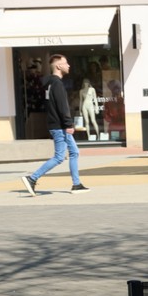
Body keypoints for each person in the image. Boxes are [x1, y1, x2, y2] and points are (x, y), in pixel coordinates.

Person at [20, 54, 89, 195]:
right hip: (60, 126)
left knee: (74, 152)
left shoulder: (49, 84)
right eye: (66, 63)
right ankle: (32, 178)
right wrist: (68, 124)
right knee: (59, 157)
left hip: (56, 125)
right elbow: (62, 106)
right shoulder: (57, 84)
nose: (68, 65)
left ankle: (76, 184)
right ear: (58, 66)